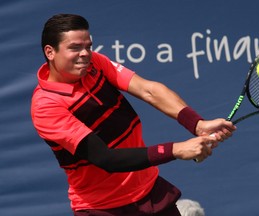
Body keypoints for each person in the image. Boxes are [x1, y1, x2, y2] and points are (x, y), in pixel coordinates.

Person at [31, 14, 236, 216]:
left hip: (149, 192)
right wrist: (175, 150)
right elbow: (106, 158)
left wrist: (196, 124)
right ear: (50, 52)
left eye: (88, 46)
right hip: (102, 208)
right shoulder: (46, 106)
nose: (85, 54)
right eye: (75, 48)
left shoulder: (95, 64)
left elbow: (149, 90)